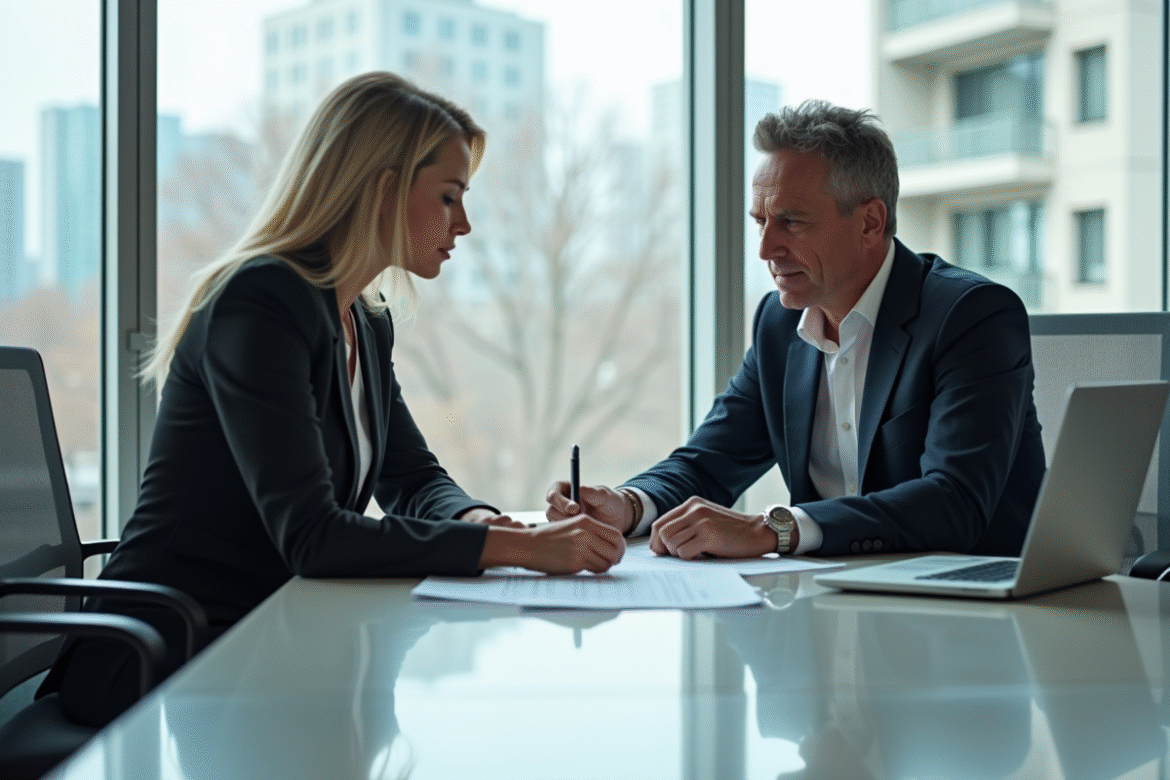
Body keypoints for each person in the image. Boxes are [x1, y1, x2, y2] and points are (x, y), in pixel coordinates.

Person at [41, 71, 624, 727]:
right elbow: (312, 537)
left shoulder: (362, 320)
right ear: (381, 187)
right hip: (166, 661)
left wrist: (475, 521)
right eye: (450, 197)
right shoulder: (258, 303)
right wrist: (523, 551)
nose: (465, 223)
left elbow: (412, 475)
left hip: (267, 641)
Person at [547, 99, 1045, 561]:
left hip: (975, 616)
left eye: (791, 222)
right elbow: (709, 463)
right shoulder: (779, 324)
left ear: (871, 222)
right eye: (760, 221)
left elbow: (954, 502)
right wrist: (628, 504)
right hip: (832, 606)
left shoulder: (972, 316)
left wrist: (776, 529)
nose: (765, 249)